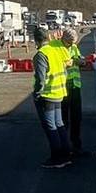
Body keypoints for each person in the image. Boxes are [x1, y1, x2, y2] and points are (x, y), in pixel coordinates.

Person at [31, 27, 71, 168]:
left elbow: (40, 79)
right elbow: (65, 71)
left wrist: (37, 94)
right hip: (59, 93)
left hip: (47, 96)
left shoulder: (41, 55)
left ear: (36, 40)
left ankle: (57, 158)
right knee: (59, 124)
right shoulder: (55, 51)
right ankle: (66, 154)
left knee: (50, 126)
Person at [60, 28, 84, 155]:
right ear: (64, 39)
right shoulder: (58, 48)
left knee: (76, 118)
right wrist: (73, 61)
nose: (71, 44)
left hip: (75, 86)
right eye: (70, 42)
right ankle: (64, 147)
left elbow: (78, 58)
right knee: (63, 119)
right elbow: (59, 63)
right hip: (63, 87)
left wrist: (81, 61)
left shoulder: (74, 47)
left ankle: (76, 146)